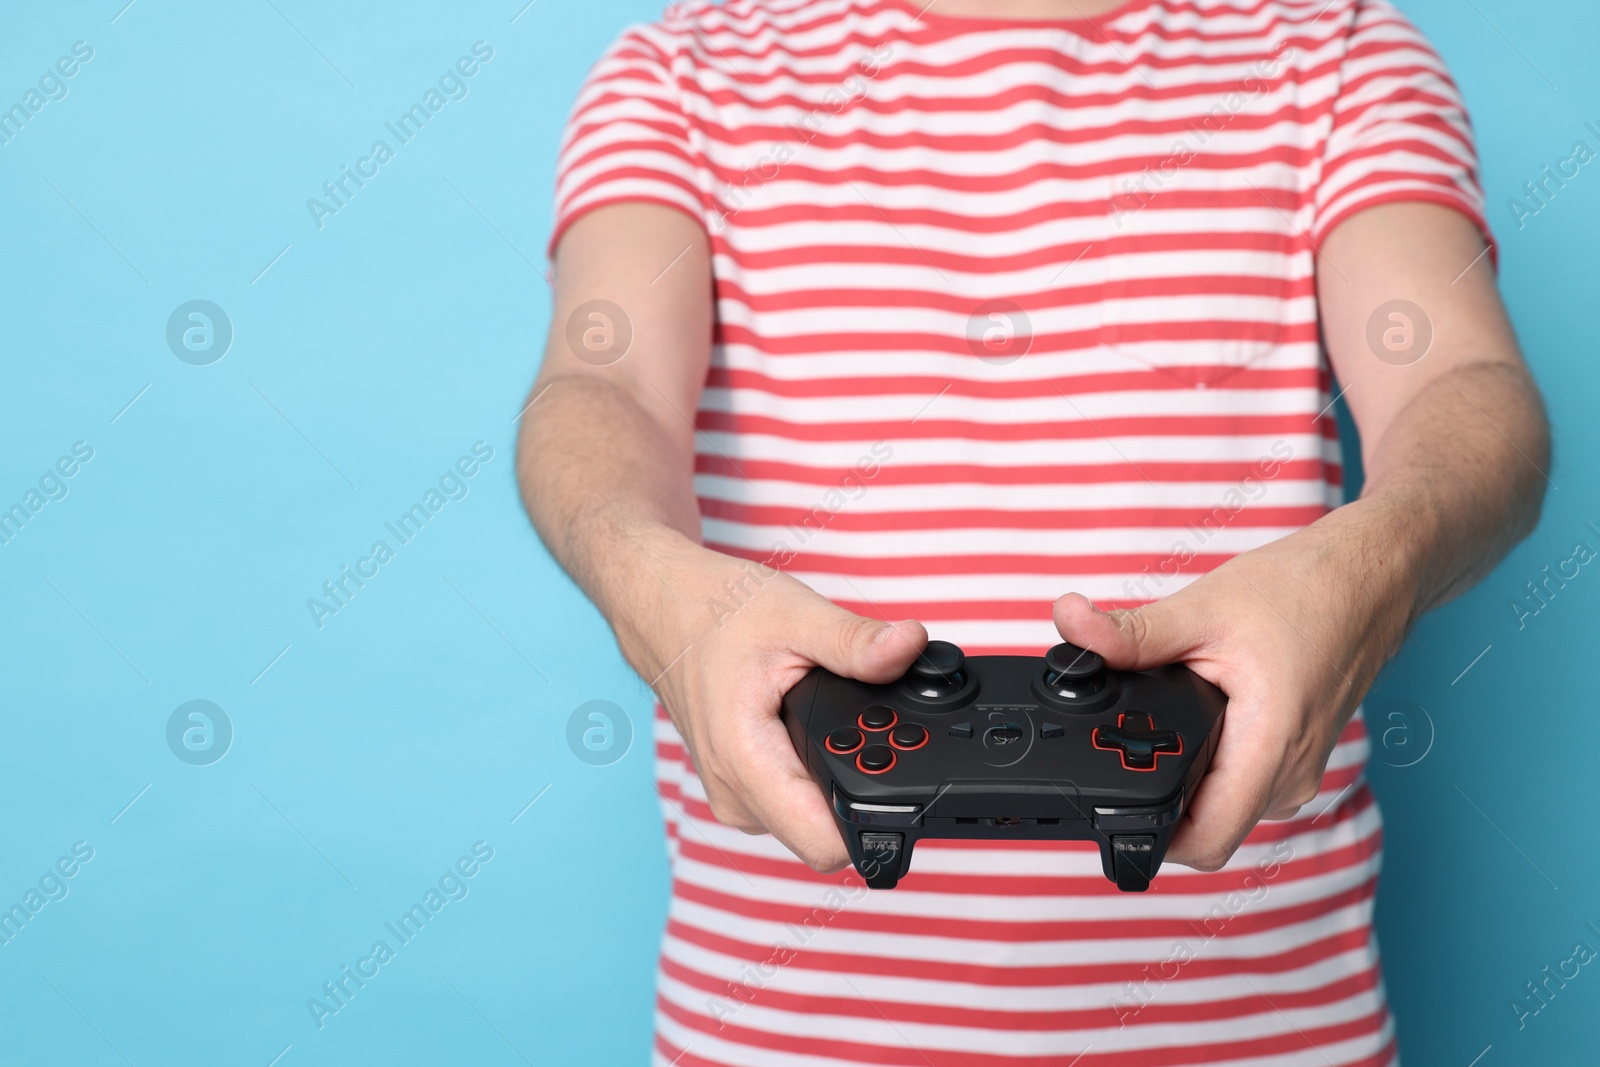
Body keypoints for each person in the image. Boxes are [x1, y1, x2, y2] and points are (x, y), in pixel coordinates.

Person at [518, 0, 1550, 1061]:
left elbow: (1460, 383)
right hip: (780, 1030)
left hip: (1265, 1027)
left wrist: (1370, 566)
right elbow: (602, 393)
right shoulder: (681, 70)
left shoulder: (1333, 48)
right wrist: (647, 582)